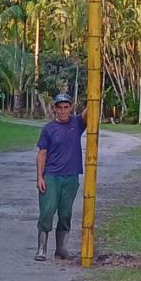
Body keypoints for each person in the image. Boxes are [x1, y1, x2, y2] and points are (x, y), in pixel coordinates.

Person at [35, 93, 86, 261]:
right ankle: (41, 249)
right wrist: (40, 177)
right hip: (52, 176)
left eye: (66, 107)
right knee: (47, 211)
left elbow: (91, 111)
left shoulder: (77, 123)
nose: (63, 111)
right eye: (60, 107)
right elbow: (42, 154)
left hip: (71, 176)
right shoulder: (48, 129)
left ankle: (61, 249)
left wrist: (96, 94)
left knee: (65, 213)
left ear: (71, 108)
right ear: (55, 109)